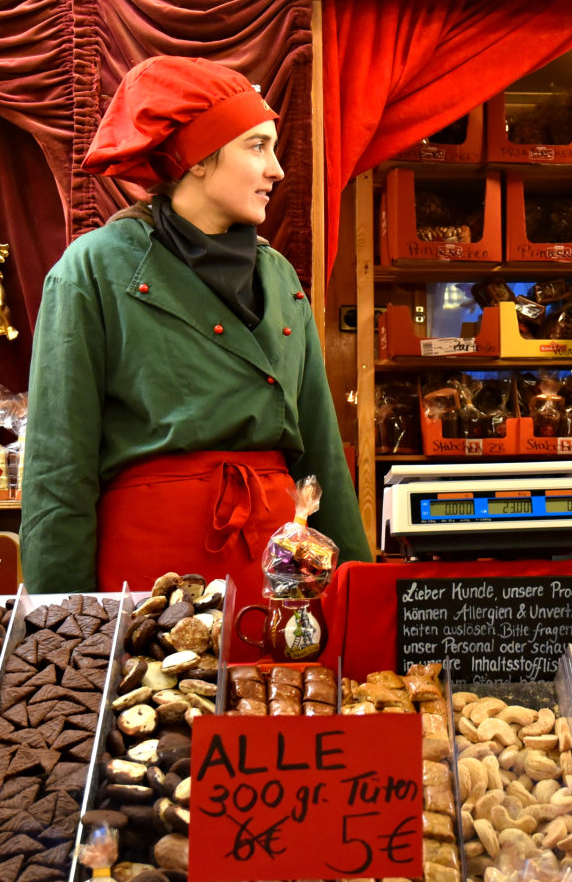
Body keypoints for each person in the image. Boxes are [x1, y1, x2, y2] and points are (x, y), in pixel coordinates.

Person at [22, 55, 372, 596]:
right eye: (256, 146)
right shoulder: (92, 270)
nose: (276, 169)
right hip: (148, 580)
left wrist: (355, 591)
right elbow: (58, 468)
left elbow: (321, 452)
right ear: (199, 159)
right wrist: (59, 623)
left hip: (279, 569)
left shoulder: (279, 275)